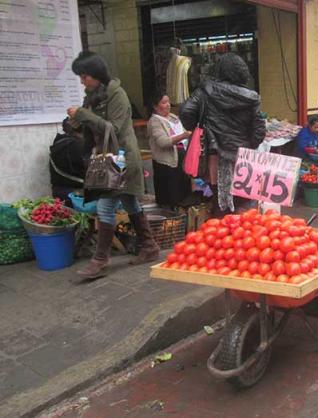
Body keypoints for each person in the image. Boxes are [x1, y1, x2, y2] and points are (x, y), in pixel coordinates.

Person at [67, 51, 160, 279]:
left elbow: (114, 129)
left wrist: (83, 115)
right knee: (129, 202)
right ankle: (150, 247)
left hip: (122, 158)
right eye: (80, 77)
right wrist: (76, 123)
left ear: (97, 74)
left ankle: (100, 259)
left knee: (105, 206)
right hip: (106, 158)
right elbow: (92, 128)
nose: (82, 81)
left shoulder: (117, 94)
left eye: (85, 76)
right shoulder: (91, 96)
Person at [179, 53, 265, 215]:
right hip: (242, 157)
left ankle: (221, 233)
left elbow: (186, 111)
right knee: (243, 203)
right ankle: (241, 235)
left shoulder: (205, 91)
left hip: (215, 156)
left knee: (219, 199)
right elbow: (259, 131)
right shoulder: (251, 97)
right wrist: (248, 144)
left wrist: (200, 127)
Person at [147, 92, 192, 208]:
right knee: (170, 197)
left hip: (181, 160)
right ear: (155, 106)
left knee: (184, 195)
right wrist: (183, 136)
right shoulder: (155, 121)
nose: (168, 105)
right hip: (167, 164)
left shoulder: (173, 117)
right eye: (163, 102)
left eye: (168, 102)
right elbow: (163, 142)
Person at [49, 118, 91, 205]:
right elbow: (87, 170)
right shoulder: (75, 146)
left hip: (58, 192)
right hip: (75, 195)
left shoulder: (58, 142)